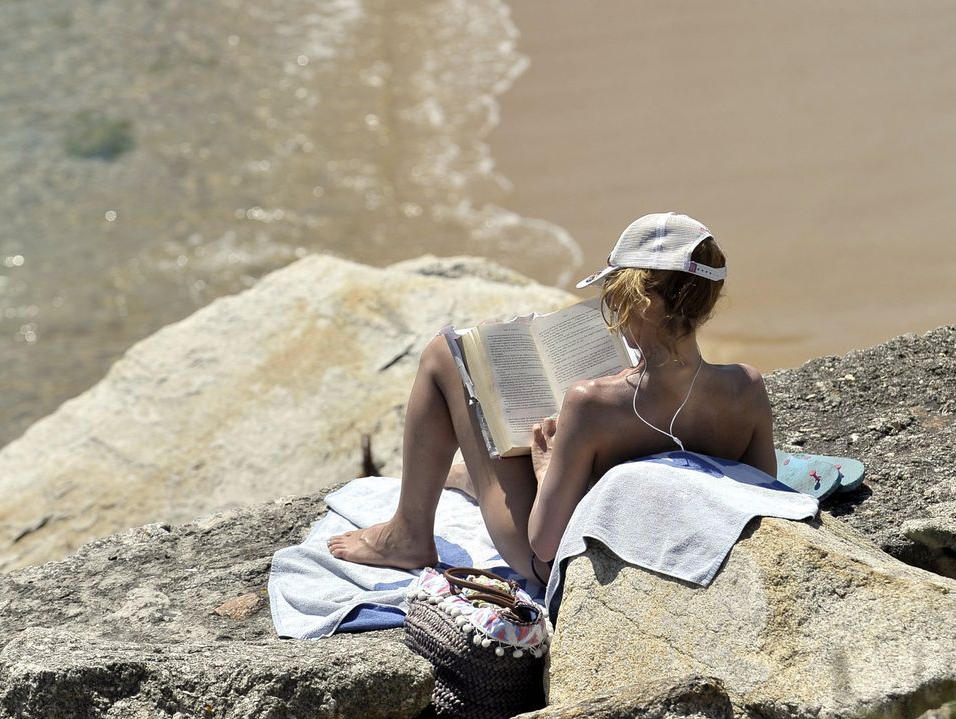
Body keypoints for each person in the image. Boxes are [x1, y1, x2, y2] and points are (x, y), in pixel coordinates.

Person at [327, 212, 776, 586]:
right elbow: (761, 492)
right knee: (545, 448)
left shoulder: (594, 402)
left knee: (445, 353)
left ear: (636, 299)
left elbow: (544, 542)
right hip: (661, 544)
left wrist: (544, 469)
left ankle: (408, 535)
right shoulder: (747, 387)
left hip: (562, 565)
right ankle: (464, 477)